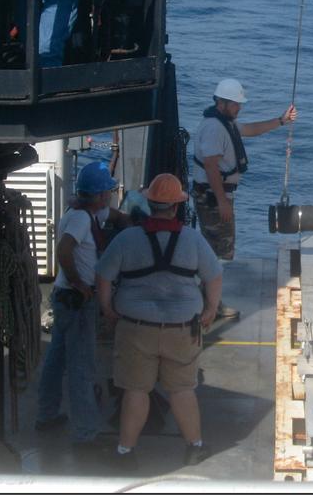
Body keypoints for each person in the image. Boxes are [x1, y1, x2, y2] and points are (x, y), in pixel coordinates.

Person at [95, 174, 223, 470]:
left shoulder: (127, 239)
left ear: (149, 204)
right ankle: (195, 448)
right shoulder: (193, 239)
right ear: (177, 207)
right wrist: (210, 310)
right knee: (182, 390)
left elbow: (103, 277)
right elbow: (214, 276)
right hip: (182, 329)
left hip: (135, 328)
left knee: (136, 391)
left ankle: (126, 453)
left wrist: (108, 310)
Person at [35, 161, 129, 452]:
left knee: (56, 359)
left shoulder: (87, 211)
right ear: (100, 194)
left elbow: (113, 214)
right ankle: (86, 433)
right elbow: (64, 250)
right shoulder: (79, 219)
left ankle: (47, 415)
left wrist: (131, 219)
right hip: (77, 301)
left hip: (64, 298)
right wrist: (80, 284)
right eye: (108, 192)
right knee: (81, 366)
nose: (111, 196)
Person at [192, 78, 297, 319]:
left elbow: (250, 130)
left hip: (217, 196)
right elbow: (210, 167)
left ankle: (207, 299)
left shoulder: (225, 123)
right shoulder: (214, 128)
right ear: (223, 102)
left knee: (215, 250)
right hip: (212, 198)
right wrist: (222, 201)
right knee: (218, 251)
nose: (240, 108)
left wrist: (281, 121)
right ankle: (210, 304)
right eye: (236, 104)